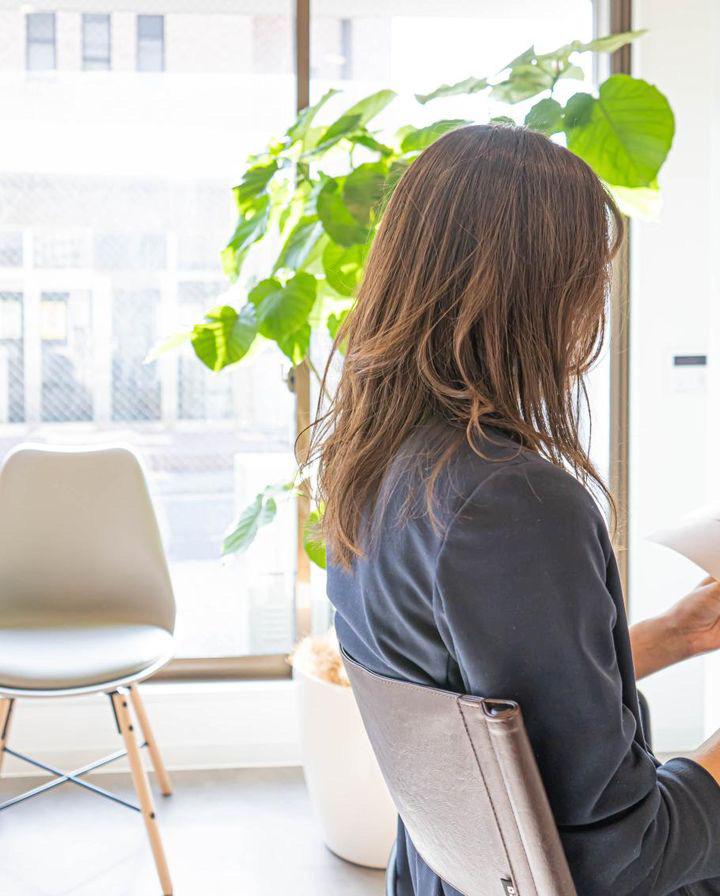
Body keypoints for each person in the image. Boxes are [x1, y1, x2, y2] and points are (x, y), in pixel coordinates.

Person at [308, 125, 720, 895]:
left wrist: (672, 636)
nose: (597, 304)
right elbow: (620, 860)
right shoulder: (512, 506)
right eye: (591, 277)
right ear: (545, 293)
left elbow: (490, 713)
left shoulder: (379, 470)